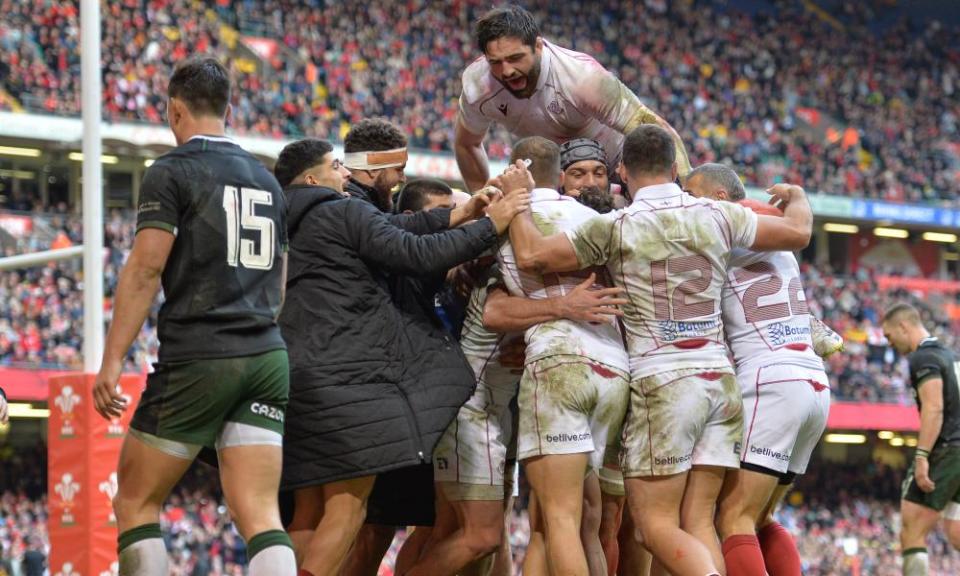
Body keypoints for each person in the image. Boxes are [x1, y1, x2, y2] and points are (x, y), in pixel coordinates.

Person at [503, 125, 813, 575]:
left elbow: (532, 255)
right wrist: (798, 195)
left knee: (652, 526)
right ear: (673, 168)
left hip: (665, 382)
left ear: (622, 171)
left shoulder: (616, 226)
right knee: (698, 521)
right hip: (719, 379)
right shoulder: (718, 215)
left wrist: (516, 202)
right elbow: (798, 231)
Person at [273, 138, 527, 576]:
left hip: (296, 370)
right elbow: (412, 251)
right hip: (348, 376)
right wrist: (491, 226)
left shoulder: (292, 221)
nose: (346, 174)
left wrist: (463, 212)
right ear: (312, 178)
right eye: (337, 167)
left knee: (307, 513)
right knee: (349, 508)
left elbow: (397, 229)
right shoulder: (342, 209)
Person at [92, 57, 297, 575]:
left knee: (135, 503)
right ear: (228, 109)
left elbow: (144, 270)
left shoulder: (172, 171)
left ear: (174, 110)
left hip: (202, 353)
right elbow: (281, 280)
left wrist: (111, 362)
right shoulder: (268, 182)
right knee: (260, 514)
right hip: (266, 354)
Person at [684, 163, 833, 576]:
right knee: (762, 518)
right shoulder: (776, 234)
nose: (684, 202)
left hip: (771, 380)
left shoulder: (721, 229)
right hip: (813, 381)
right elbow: (796, 223)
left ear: (718, 200)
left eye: (691, 193)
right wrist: (799, 196)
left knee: (733, 517)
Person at [495, 136, 631, 575]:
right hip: (613, 363)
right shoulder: (602, 217)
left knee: (558, 520)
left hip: (558, 358)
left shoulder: (505, 215)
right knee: (574, 522)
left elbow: (495, 301)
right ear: (560, 175)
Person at [454, 4, 690, 192]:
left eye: (516, 58)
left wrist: (686, 189)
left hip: (615, 167)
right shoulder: (478, 85)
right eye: (495, 62)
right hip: (555, 176)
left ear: (538, 46)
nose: (506, 71)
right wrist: (480, 198)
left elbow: (649, 127)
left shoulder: (582, 77)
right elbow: (467, 143)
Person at [559, 138, 650, 576]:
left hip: (632, 375)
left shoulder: (627, 220)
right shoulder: (549, 223)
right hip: (573, 372)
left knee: (627, 517)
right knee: (582, 515)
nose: (590, 181)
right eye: (578, 173)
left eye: (598, 172)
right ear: (559, 180)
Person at [882, 303, 960, 576]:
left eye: (890, 336)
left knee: (912, 530)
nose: (890, 343)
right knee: (956, 533)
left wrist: (922, 455)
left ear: (904, 327)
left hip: (948, 449)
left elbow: (934, 408)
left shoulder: (923, 357)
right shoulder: (948, 353)